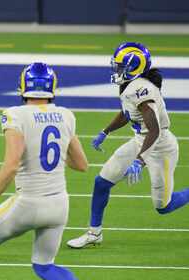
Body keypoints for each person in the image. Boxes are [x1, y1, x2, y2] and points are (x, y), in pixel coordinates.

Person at [67, 42, 189, 249]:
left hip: (160, 147)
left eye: (121, 66)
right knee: (102, 182)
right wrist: (105, 131)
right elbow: (127, 113)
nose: (117, 70)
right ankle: (94, 233)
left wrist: (139, 161)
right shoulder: (129, 86)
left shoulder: (141, 89)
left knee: (163, 206)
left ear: (135, 67)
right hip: (140, 140)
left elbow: (155, 130)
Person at [0, 63, 88, 280]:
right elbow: (81, 164)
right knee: (45, 267)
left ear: (23, 87)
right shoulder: (66, 115)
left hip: (28, 202)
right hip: (59, 204)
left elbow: (12, 163)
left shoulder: (14, 115)